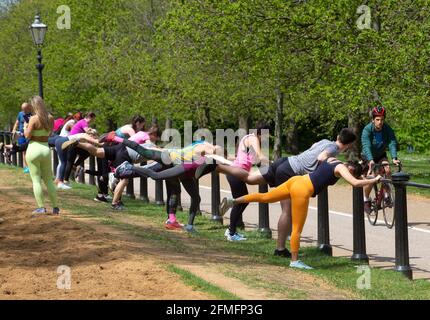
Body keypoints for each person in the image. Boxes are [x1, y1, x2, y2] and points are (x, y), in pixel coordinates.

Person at [196, 128, 357, 257]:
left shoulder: (325, 141)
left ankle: (216, 167)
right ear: (349, 145)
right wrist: (332, 163)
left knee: (251, 178)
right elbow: (322, 157)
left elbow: (314, 146)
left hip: (285, 162)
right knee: (287, 211)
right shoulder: (333, 148)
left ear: (337, 136)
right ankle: (280, 249)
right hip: (290, 171)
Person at [219, 158, 380, 270]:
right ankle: (295, 261)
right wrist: (374, 180)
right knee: (297, 228)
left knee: (265, 197)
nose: (349, 174)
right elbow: (355, 182)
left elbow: (323, 159)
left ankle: (234, 201)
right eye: (351, 172)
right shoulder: (342, 169)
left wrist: (366, 175)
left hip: (296, 180)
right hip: (302, 190)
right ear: (351, 169)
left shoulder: (334, 160)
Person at [361, 105, 400, 213]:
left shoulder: (387, 129)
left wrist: (394, 158)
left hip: (380, 155)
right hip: (368, 156)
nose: (380, 122)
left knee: (387, 170)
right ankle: (365, 199)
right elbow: (366, 146)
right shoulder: (367, 130)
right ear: (373, 120)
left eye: (382, 119)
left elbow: (392, 143)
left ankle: (387, 195)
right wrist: (370, 160)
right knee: (372, 177)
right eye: (377, 119)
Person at [24, 96, 59, 215]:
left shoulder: (33, 119)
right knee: (49, 179)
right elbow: (50, 134)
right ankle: (55, 207)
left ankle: (41, 207)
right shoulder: (50, 118)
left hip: (33, 148)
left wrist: (25, 126)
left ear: (34, 106)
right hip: (45, 149)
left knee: (36, 180)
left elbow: (27, 136)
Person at [7, 103, 33, 173]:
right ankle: (27, 167)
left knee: (30, 151)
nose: (23, 111)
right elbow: (17, 122)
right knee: (24, 151)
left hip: (29, 134)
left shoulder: (33, 115)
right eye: (22, 109)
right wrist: (14, 130)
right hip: (21, 135)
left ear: (29, 108)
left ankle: (31, 166)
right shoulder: (20, 114)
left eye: (25, 109)